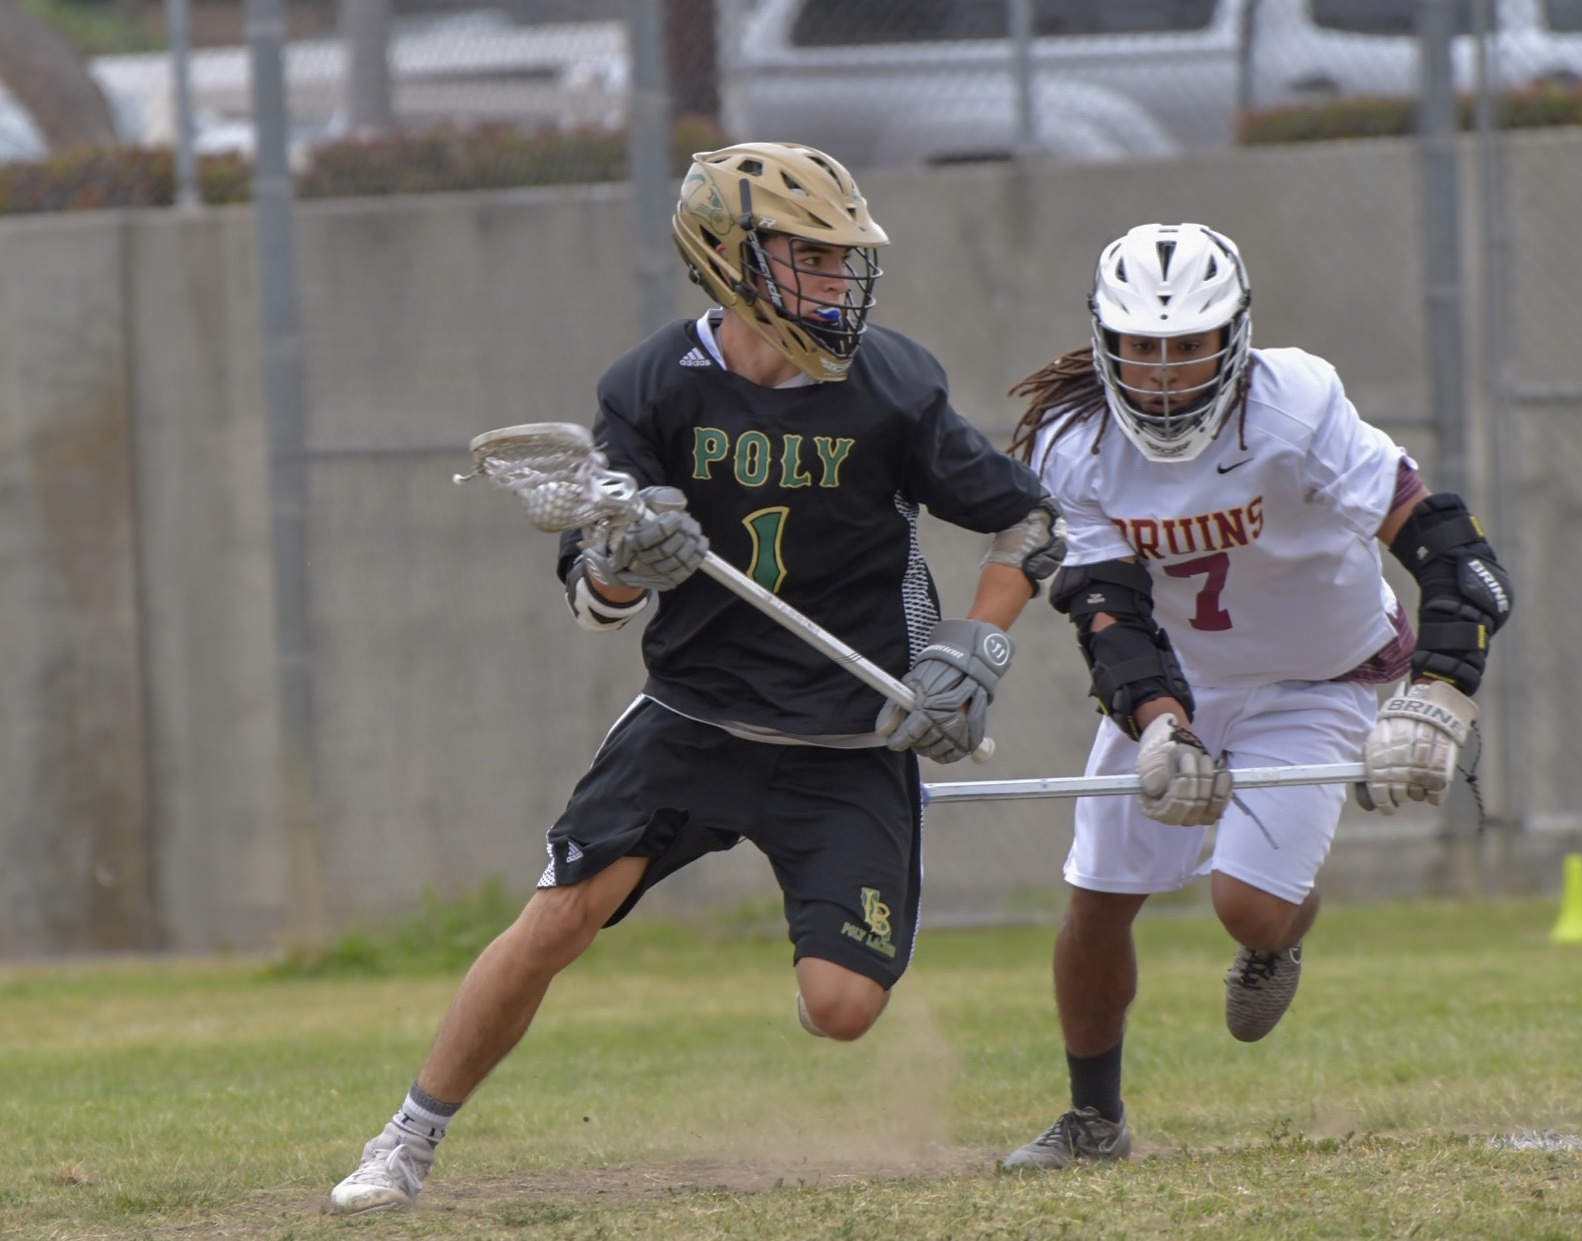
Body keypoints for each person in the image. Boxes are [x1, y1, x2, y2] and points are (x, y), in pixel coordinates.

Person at [327, 142, 1065, 1214]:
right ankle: (405, 1136)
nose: (833, 281)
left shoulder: (891, 386)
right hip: (695, 719)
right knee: (557, 918)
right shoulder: (650, 390)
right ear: (728, 260)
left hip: (844, 741)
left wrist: (974, 652)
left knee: (843, 1005)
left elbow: (1026, 520)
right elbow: (590, 597)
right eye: (806, 256)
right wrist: (628, 564)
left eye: (839, 258)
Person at [998, 222, 1511, 1169]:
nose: (1161, 373)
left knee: (1249, 908)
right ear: (1106, 340)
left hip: (1315, 676)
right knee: (1098, 901)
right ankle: (1093, 1121)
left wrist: (1438, 695)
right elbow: (1106, 610)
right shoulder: (1073, 443)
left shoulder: (1297, 403)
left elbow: (1459, 561)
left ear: (1233, 336)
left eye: (1187, 343)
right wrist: (1161, 723)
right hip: (1185, 679)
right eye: (1143, 346)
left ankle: (1286, 929)